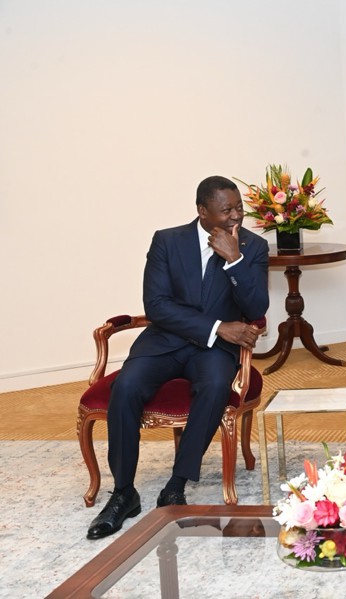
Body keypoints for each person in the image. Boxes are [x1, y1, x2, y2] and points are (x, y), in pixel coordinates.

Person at [86, 176, 269, 540]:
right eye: (226, 210)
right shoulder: (167, 241)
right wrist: (218, 326)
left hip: (214, 351)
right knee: (127, 386)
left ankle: (176, 484)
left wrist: (235, 261)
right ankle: (123, 493)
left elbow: (256, 308)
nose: (236, 216)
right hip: (165, 341)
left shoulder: (253, 246)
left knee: (215, 385)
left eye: (239, 208)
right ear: (202, 211)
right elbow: (156, 305)